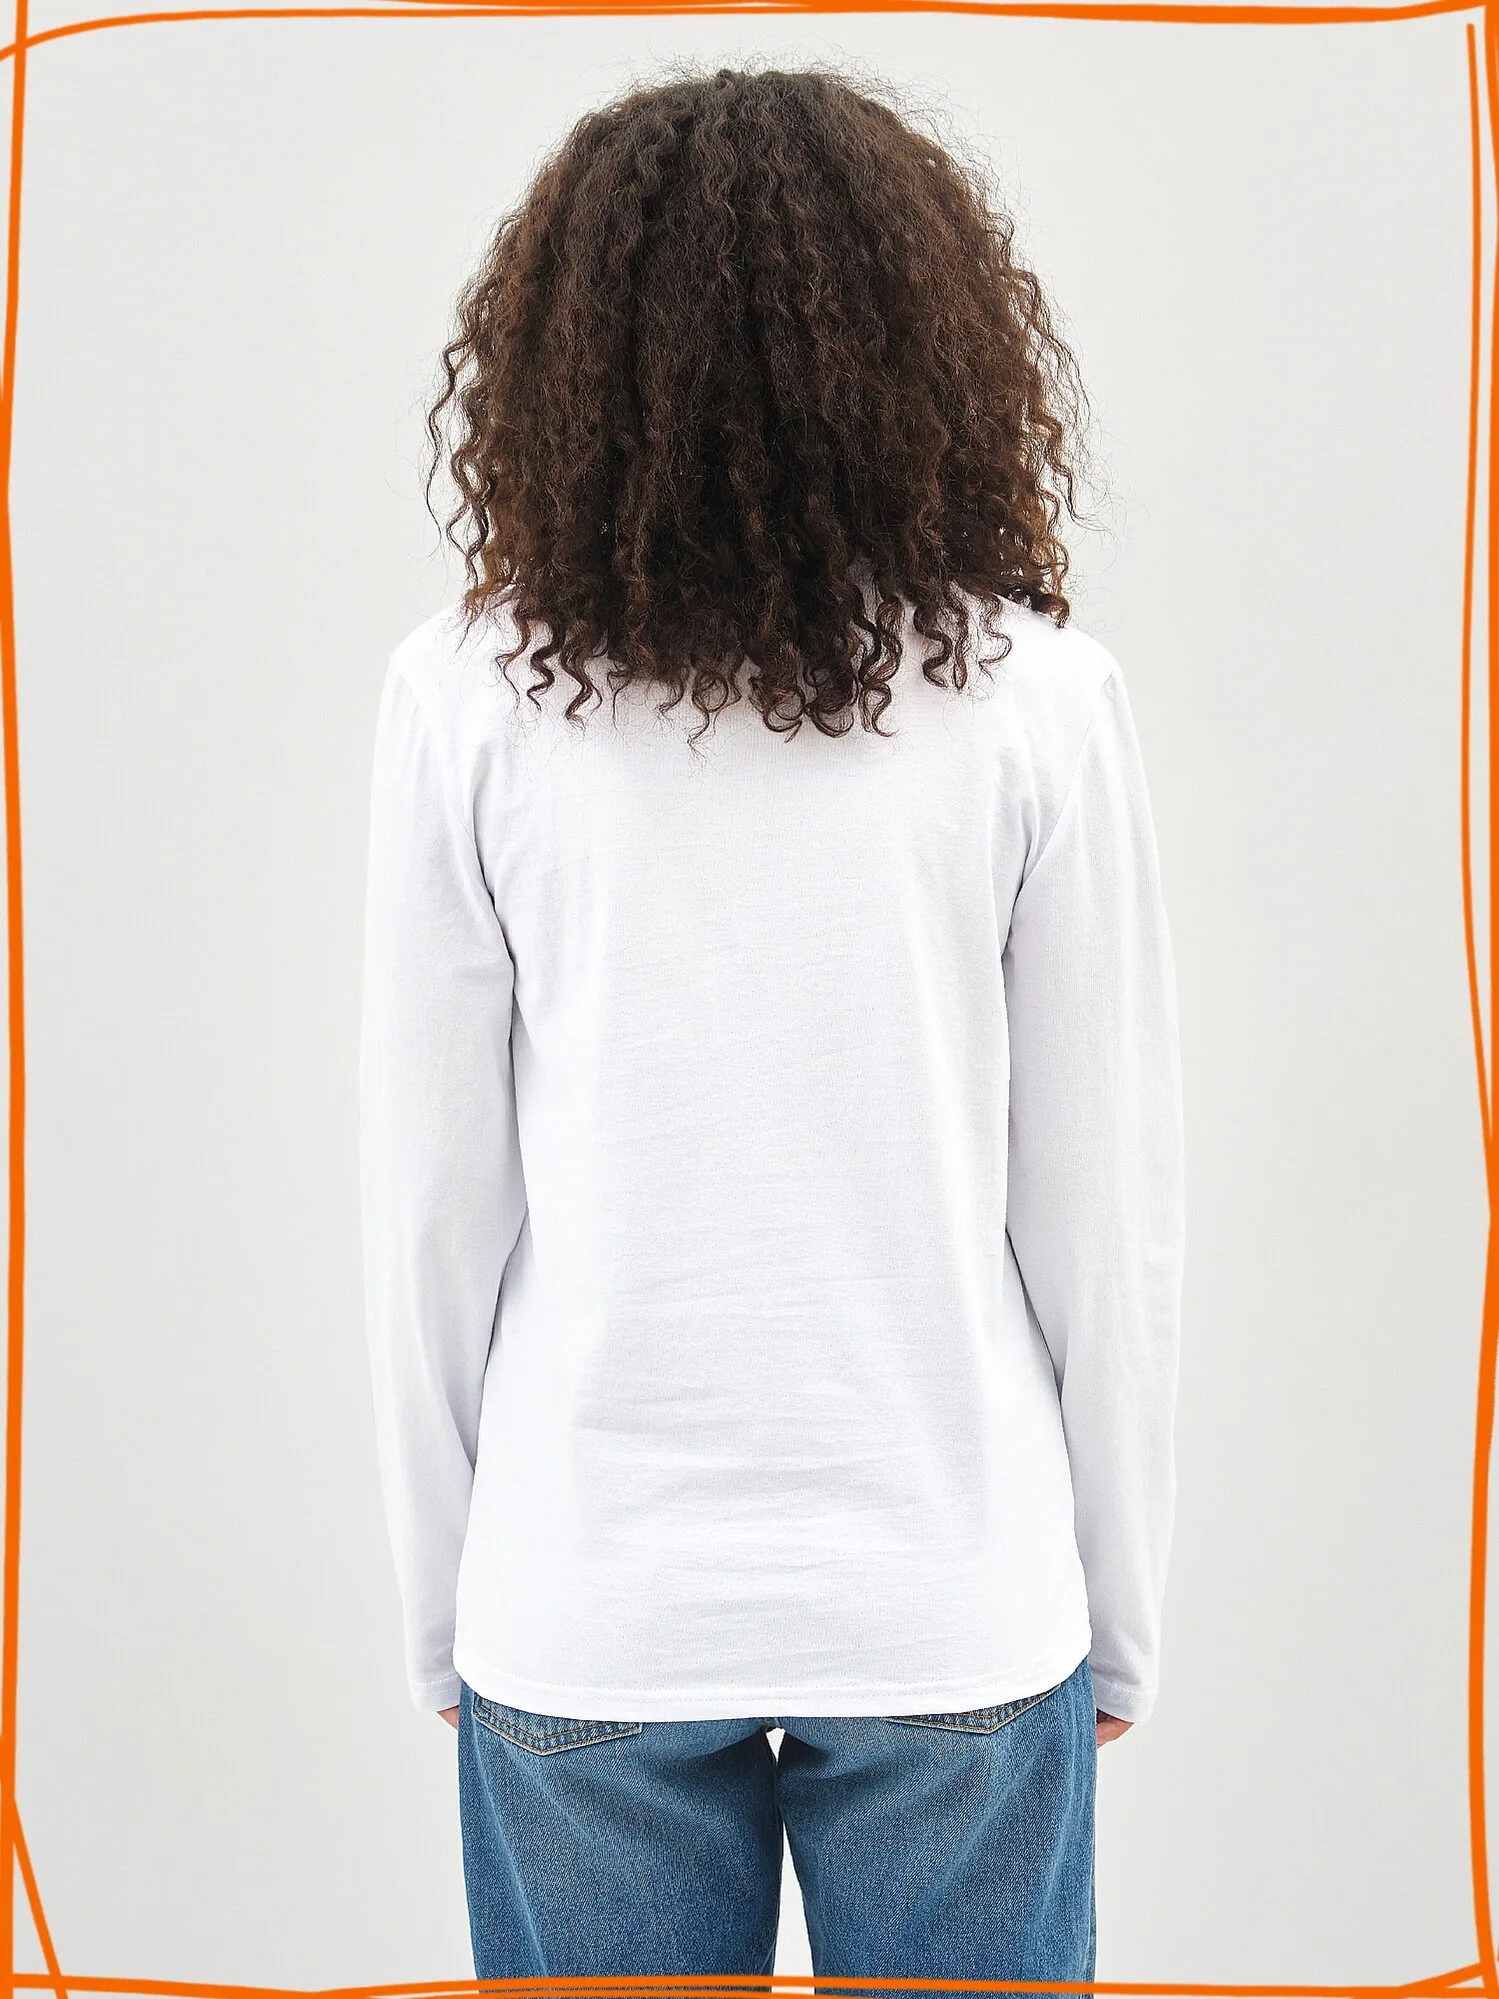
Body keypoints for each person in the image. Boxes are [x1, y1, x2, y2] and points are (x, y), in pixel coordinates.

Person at [358, 58, 1185, 1993]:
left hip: (587, 1597)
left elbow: (427, 1211)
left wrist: (452, 1604)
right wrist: (1115, 1607)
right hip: (951, 1590)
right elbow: (1103, 1217)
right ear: (929, 341)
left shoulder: (466, 699)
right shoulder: (1037, 700)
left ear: (562, 357)